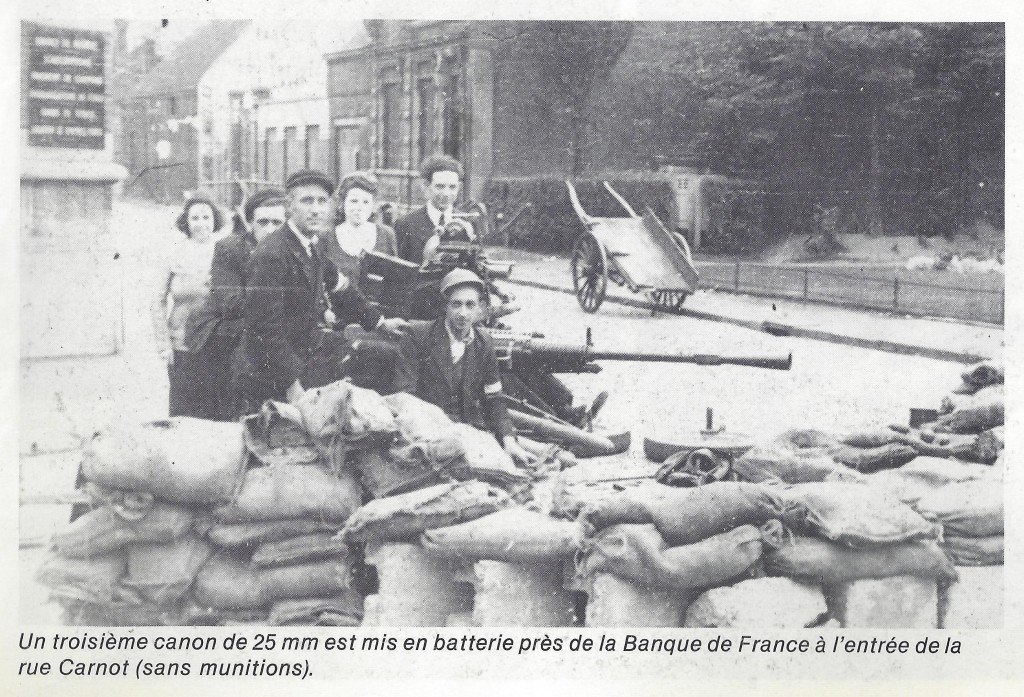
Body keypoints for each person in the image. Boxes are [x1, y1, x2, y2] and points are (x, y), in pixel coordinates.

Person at [235, 169, 406, 412]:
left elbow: (342, 289)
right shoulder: (272, 254)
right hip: (271, 372)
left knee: (387, 357)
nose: (315, 209)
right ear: (289, 206)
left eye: (321, 201)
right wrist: (291, 385)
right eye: (307, 201)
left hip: (305, 353)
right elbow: (264, 329)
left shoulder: (311, 246)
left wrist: (380, 323)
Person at [393, 269, 535, 466]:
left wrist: (509, 440)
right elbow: (404, 396)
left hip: (467, 431)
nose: (463, 313)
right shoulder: (418, 336)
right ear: (445, 306)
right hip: (426, 434)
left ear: (481, 308)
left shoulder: (484, 342)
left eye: (470, 305)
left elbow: (494, 398)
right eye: (456, 304)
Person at [184, 187, 286, 420]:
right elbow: (232, 304)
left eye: (277, 223)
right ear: (250, 223)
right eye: (263, 222)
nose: (270, 230)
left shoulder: (294, 250)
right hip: (222, 329)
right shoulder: (230, 249)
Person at [152, 194, 223, 418]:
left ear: (215, 220)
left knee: (214, 403)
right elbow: (157, 300)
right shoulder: (174, 253)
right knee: (183, 405)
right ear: (186, 222)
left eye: (206, 217)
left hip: (216, 340)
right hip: (181, 342)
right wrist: (163, 343)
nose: (201, 224)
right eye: (195, 218)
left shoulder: (225, 252)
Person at [324, 171, 398, 289]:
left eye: (366, 202)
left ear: (373, 206)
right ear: (342, 203)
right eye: (354, 201)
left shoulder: (386, 235)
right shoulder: (326, 238)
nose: (359, 208)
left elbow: (395, 281)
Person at [394, 154, 464, 265]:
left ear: (459, 187)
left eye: (452, 187)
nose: (446, 194)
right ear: (426, 186)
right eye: (440, 186)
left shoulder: (468, 223)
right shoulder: (405, 224)